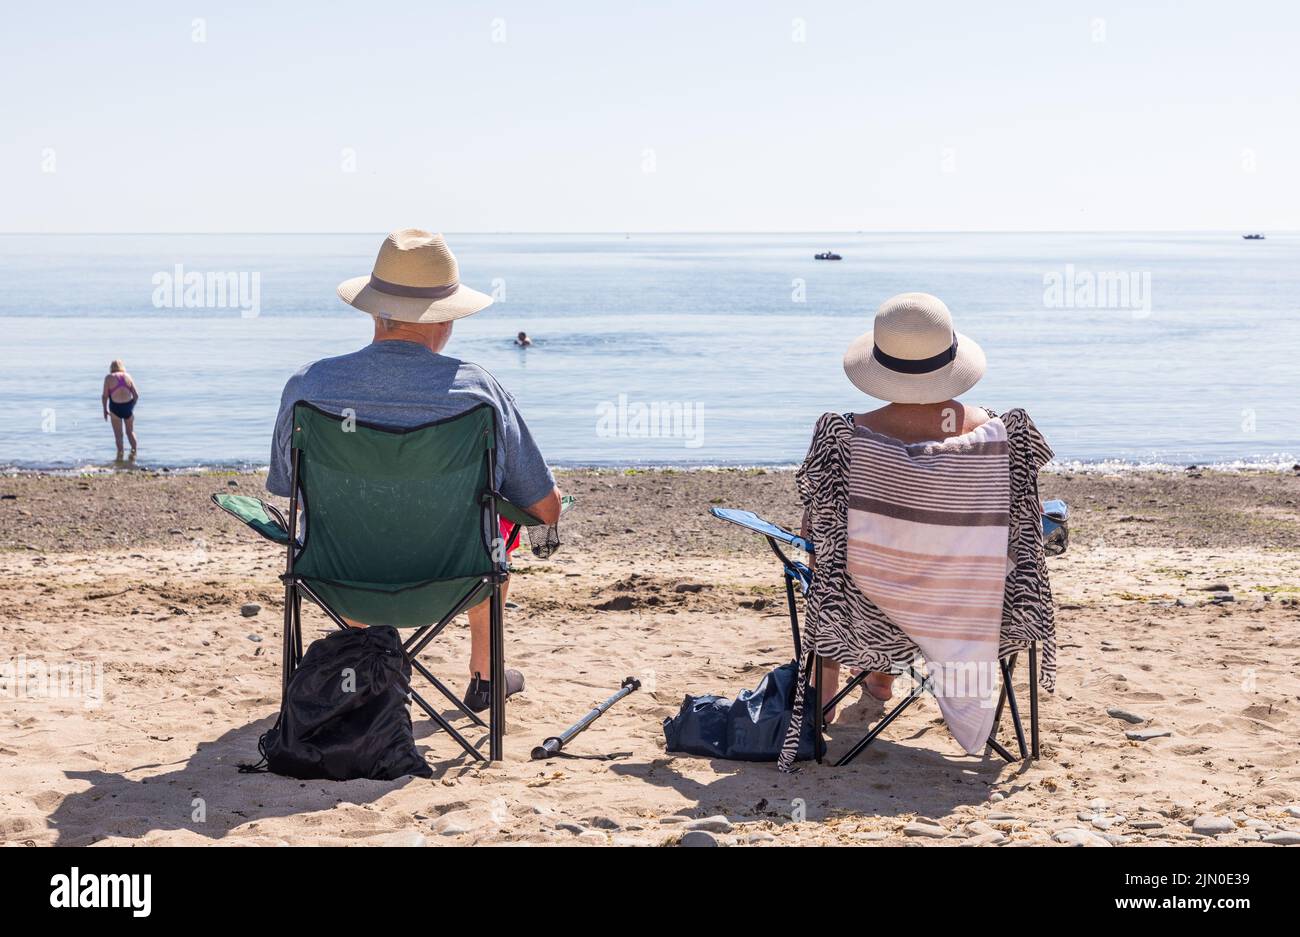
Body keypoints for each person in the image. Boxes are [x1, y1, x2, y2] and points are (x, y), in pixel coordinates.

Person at [267, 229, 562, 713]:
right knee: (497, 530)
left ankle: (362, 665)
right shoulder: (478, 391)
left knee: (346, 516)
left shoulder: (309, 385)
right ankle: (487, 676)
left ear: (373, 310)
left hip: (339, 578)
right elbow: (544, 508)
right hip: (455, 580)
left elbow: (286, 486)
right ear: (445, 320)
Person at [785, 292, 1056, 768]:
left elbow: (821, 537)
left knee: (848, 563)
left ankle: (836, 693)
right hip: (986, 619)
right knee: (907, 561)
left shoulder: (844, 437)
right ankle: (881, 677)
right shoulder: (1001, 435)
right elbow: (1025, 531)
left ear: (880, 364)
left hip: (862, 625)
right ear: (951, 358)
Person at [101, 360, 139, 459]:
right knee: (130, 432)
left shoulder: (109, 377)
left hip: (115, 408)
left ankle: (120, 456)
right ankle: (134, 453)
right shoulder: (128, 376)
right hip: (128, 407)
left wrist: (104, 410)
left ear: (111, 368)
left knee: (118, 435)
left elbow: (105, 396)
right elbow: (136, 395)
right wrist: (131, 406)